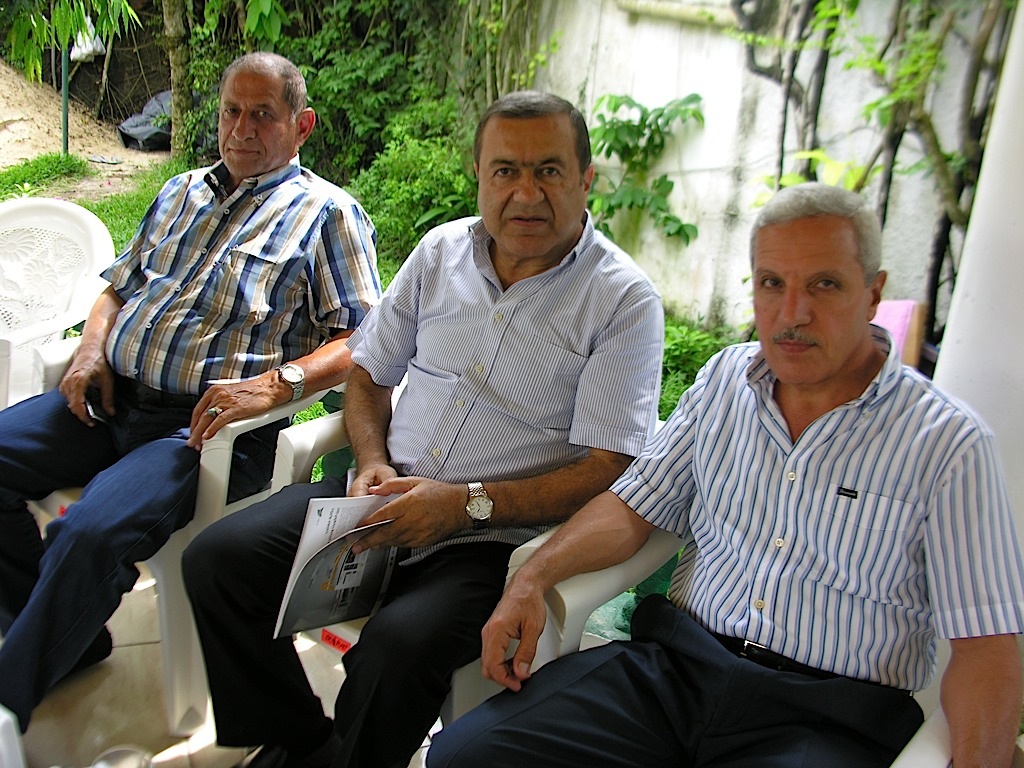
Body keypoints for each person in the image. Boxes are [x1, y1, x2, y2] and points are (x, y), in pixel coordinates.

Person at [428, 182, 1024, 768]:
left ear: (873, 294)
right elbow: (632, 508)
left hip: (827, 716)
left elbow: (986, 648)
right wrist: (533, 577)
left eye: (824, 284)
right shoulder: (724, 381)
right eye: (772, 283)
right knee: (466, 755)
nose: (793, 314)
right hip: (675, 674)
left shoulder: (947, 445)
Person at [182, 90, 664, 768]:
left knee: (398, 650)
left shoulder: (622, 300)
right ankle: (304, 741)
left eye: (549, 171)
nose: (526, 194)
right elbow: (368, 373)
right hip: (379, 497)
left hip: (488, 539)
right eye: (505, 171)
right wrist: (371, 460)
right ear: (479, 175)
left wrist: (463, 505)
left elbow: (608, 468)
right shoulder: (441, 252)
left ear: (585, 180)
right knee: (218, 561)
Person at [0, 51, 381, 733]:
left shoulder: (329, 213)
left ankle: (8, 699)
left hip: (200, 434)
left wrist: (278, 383)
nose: (241, 128)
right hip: (110, 400)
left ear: (302, 125)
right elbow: (118, 288)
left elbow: (360, 339)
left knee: (88, 533)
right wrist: (89, 349)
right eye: (232, 111)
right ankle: (70, 638)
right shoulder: (181, 191)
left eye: (263, 114)